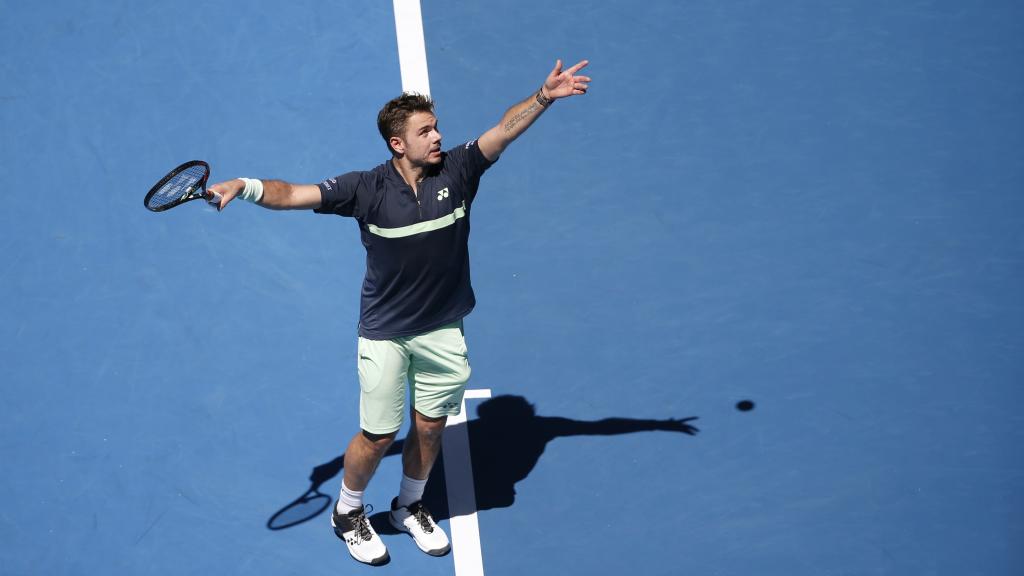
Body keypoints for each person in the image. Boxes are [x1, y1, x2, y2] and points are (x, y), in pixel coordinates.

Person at [208, 58, 591, 566]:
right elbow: (293, 194)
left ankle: (409, 506)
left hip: (443, 331)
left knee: (430, 427)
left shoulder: (459, 169)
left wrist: (543, 97)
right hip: (386, 335)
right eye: (425, 131)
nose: (438, 137)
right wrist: (245, 184)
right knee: (378, 434)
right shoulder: (364, 190)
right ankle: (347, 513)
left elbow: (504, 130)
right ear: (398, 144)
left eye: (436, 128)